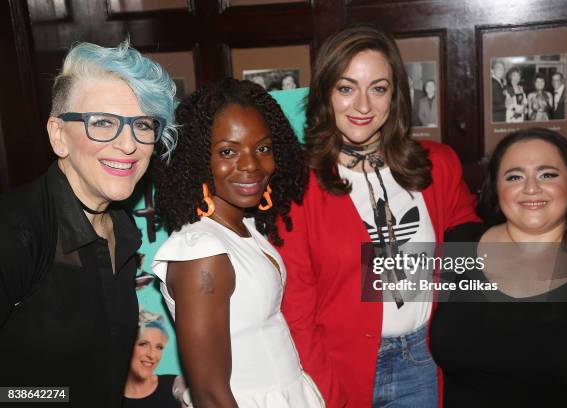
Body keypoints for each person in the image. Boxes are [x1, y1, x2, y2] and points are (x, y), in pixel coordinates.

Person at [275, 24, 480, 408]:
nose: (363, 106)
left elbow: (475, 254)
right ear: (325, 94)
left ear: (395, 95)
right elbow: (297, 314)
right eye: (346, 87)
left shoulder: (438, 165)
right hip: (339, 369)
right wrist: (327, 394)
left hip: (424, 360)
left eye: (378, 88)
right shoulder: (297, 185)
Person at [0, 41, 177, 407]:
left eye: (142, 125)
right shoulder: (15, 232)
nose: (128, 144)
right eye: (103, 123)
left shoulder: (122, 227)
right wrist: (60, 399)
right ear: (58, 135)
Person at [151, 78, 324, 408]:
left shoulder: (241, 226)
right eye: (228, 152)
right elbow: (210, 395)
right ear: (199, 159)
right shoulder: (201, 251)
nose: (251, 165)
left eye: (262, 148)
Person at [430, 128, 567, 407]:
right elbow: (370, 282)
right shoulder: (458, 244)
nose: (531, 188)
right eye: (514, 176)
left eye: (547, 174)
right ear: (495, 188)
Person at [124, 310, 186, 408]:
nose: (152, 355)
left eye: (159, 347)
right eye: (143, 344)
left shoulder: (177, 388)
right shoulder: (106, 397)